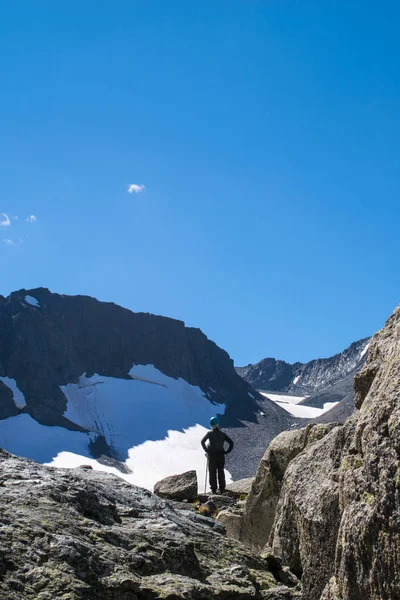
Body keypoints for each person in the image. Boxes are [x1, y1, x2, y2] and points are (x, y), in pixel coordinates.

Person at [201, 416, 234, 494]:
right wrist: (227, 451)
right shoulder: (222, 434)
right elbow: (231, 443)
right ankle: (222, 488)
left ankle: (214, 489)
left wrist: (207, 450)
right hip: (221, 455)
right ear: (218, 424)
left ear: (211, 425)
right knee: (221, 471)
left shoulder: (209, 434)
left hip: (212, 455)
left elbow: (202, 442)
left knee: (212, 472)